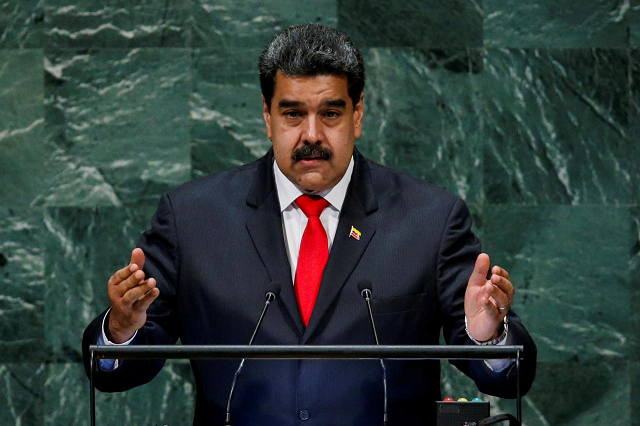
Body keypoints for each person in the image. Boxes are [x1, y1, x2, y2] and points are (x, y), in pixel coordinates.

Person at [82, 23, 536, 425]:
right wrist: (120, 331)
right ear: (267, 115)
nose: (312, 135)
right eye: (293, 113)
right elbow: (116, 370)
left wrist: (488, 336)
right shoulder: (193, 218)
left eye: (331, 113)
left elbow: (508, 375)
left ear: (357, 115)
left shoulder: (430, 219)